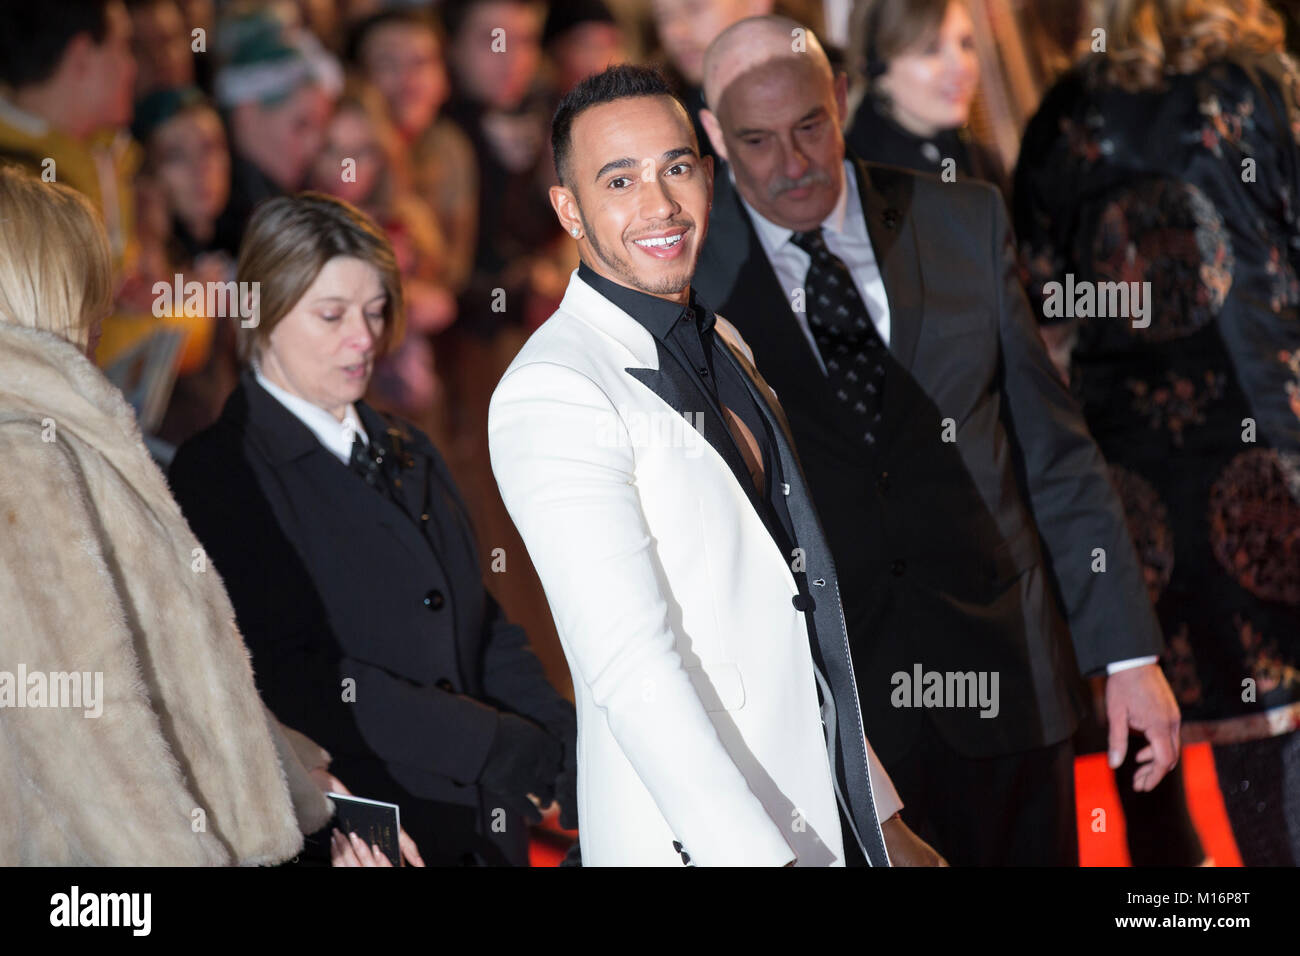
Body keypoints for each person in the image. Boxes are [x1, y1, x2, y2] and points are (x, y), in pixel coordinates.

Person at [693, 16, 1181, 866]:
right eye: (757, 141)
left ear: (842, 97)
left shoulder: (960, 220)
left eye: (810, 125)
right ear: (711, 136)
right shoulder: (696, 282)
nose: (794, 163)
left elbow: (1054, 453)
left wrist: (1129, 655)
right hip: (848, 722)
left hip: (1011, 682)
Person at [488, 64, 942, 866]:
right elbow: (632, 669)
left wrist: (880, 816)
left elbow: (796, 617)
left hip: (819, 809)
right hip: (703, 843)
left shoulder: (725, 339)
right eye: (619, 180)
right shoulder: (553, 390)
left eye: (677, 166)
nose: (659, 205)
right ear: (569, 209)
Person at [168, 193, 577, 867]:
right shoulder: (219, 470)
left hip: (478, 822)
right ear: (264, 315)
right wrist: (489, 742)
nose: (362, 338)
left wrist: (562, 739)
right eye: (331, 315)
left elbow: (477, 622)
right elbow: (287, 676)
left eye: (375, 310)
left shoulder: (406, 444)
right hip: (367, 832)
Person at [1015, 0, 1300, 866]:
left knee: (1185, 726)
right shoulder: (1261, 89)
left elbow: (1038, 308)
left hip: (1134, 479)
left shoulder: (1063, 117)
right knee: (1281, 733)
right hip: (1275, 445)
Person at [0, 164, 332, 865]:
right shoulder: (24, 454)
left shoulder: (58, 428)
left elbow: (167, 660)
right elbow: (85, 726)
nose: (101, 317)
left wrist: (288, 773)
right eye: (89, 290)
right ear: (39, 289)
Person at [0, 0, 139, 278]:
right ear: (82, 56)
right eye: (122, 46)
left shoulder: (110, 155)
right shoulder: (12, 189)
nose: (132, 67)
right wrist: (189, 311)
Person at [844, 0, 1004, 190]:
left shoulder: (973, 156)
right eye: (931, 50)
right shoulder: (863, 184)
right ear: (876, 67)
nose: (962, 66)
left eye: (966, 44)